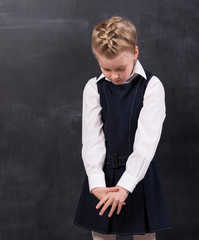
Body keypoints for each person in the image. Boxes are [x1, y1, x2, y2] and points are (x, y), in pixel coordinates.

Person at [74, 16, 170, 240]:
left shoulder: (152, 86)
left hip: (139, 174)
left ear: (135, 53)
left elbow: (146, 143)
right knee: (101, 237)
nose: (114, 75)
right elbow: (92, 141)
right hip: (102, 176)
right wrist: (96, 184)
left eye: (120, 68)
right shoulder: (93, 88)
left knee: (145, 237)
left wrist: (126, 186)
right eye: (106, 68)